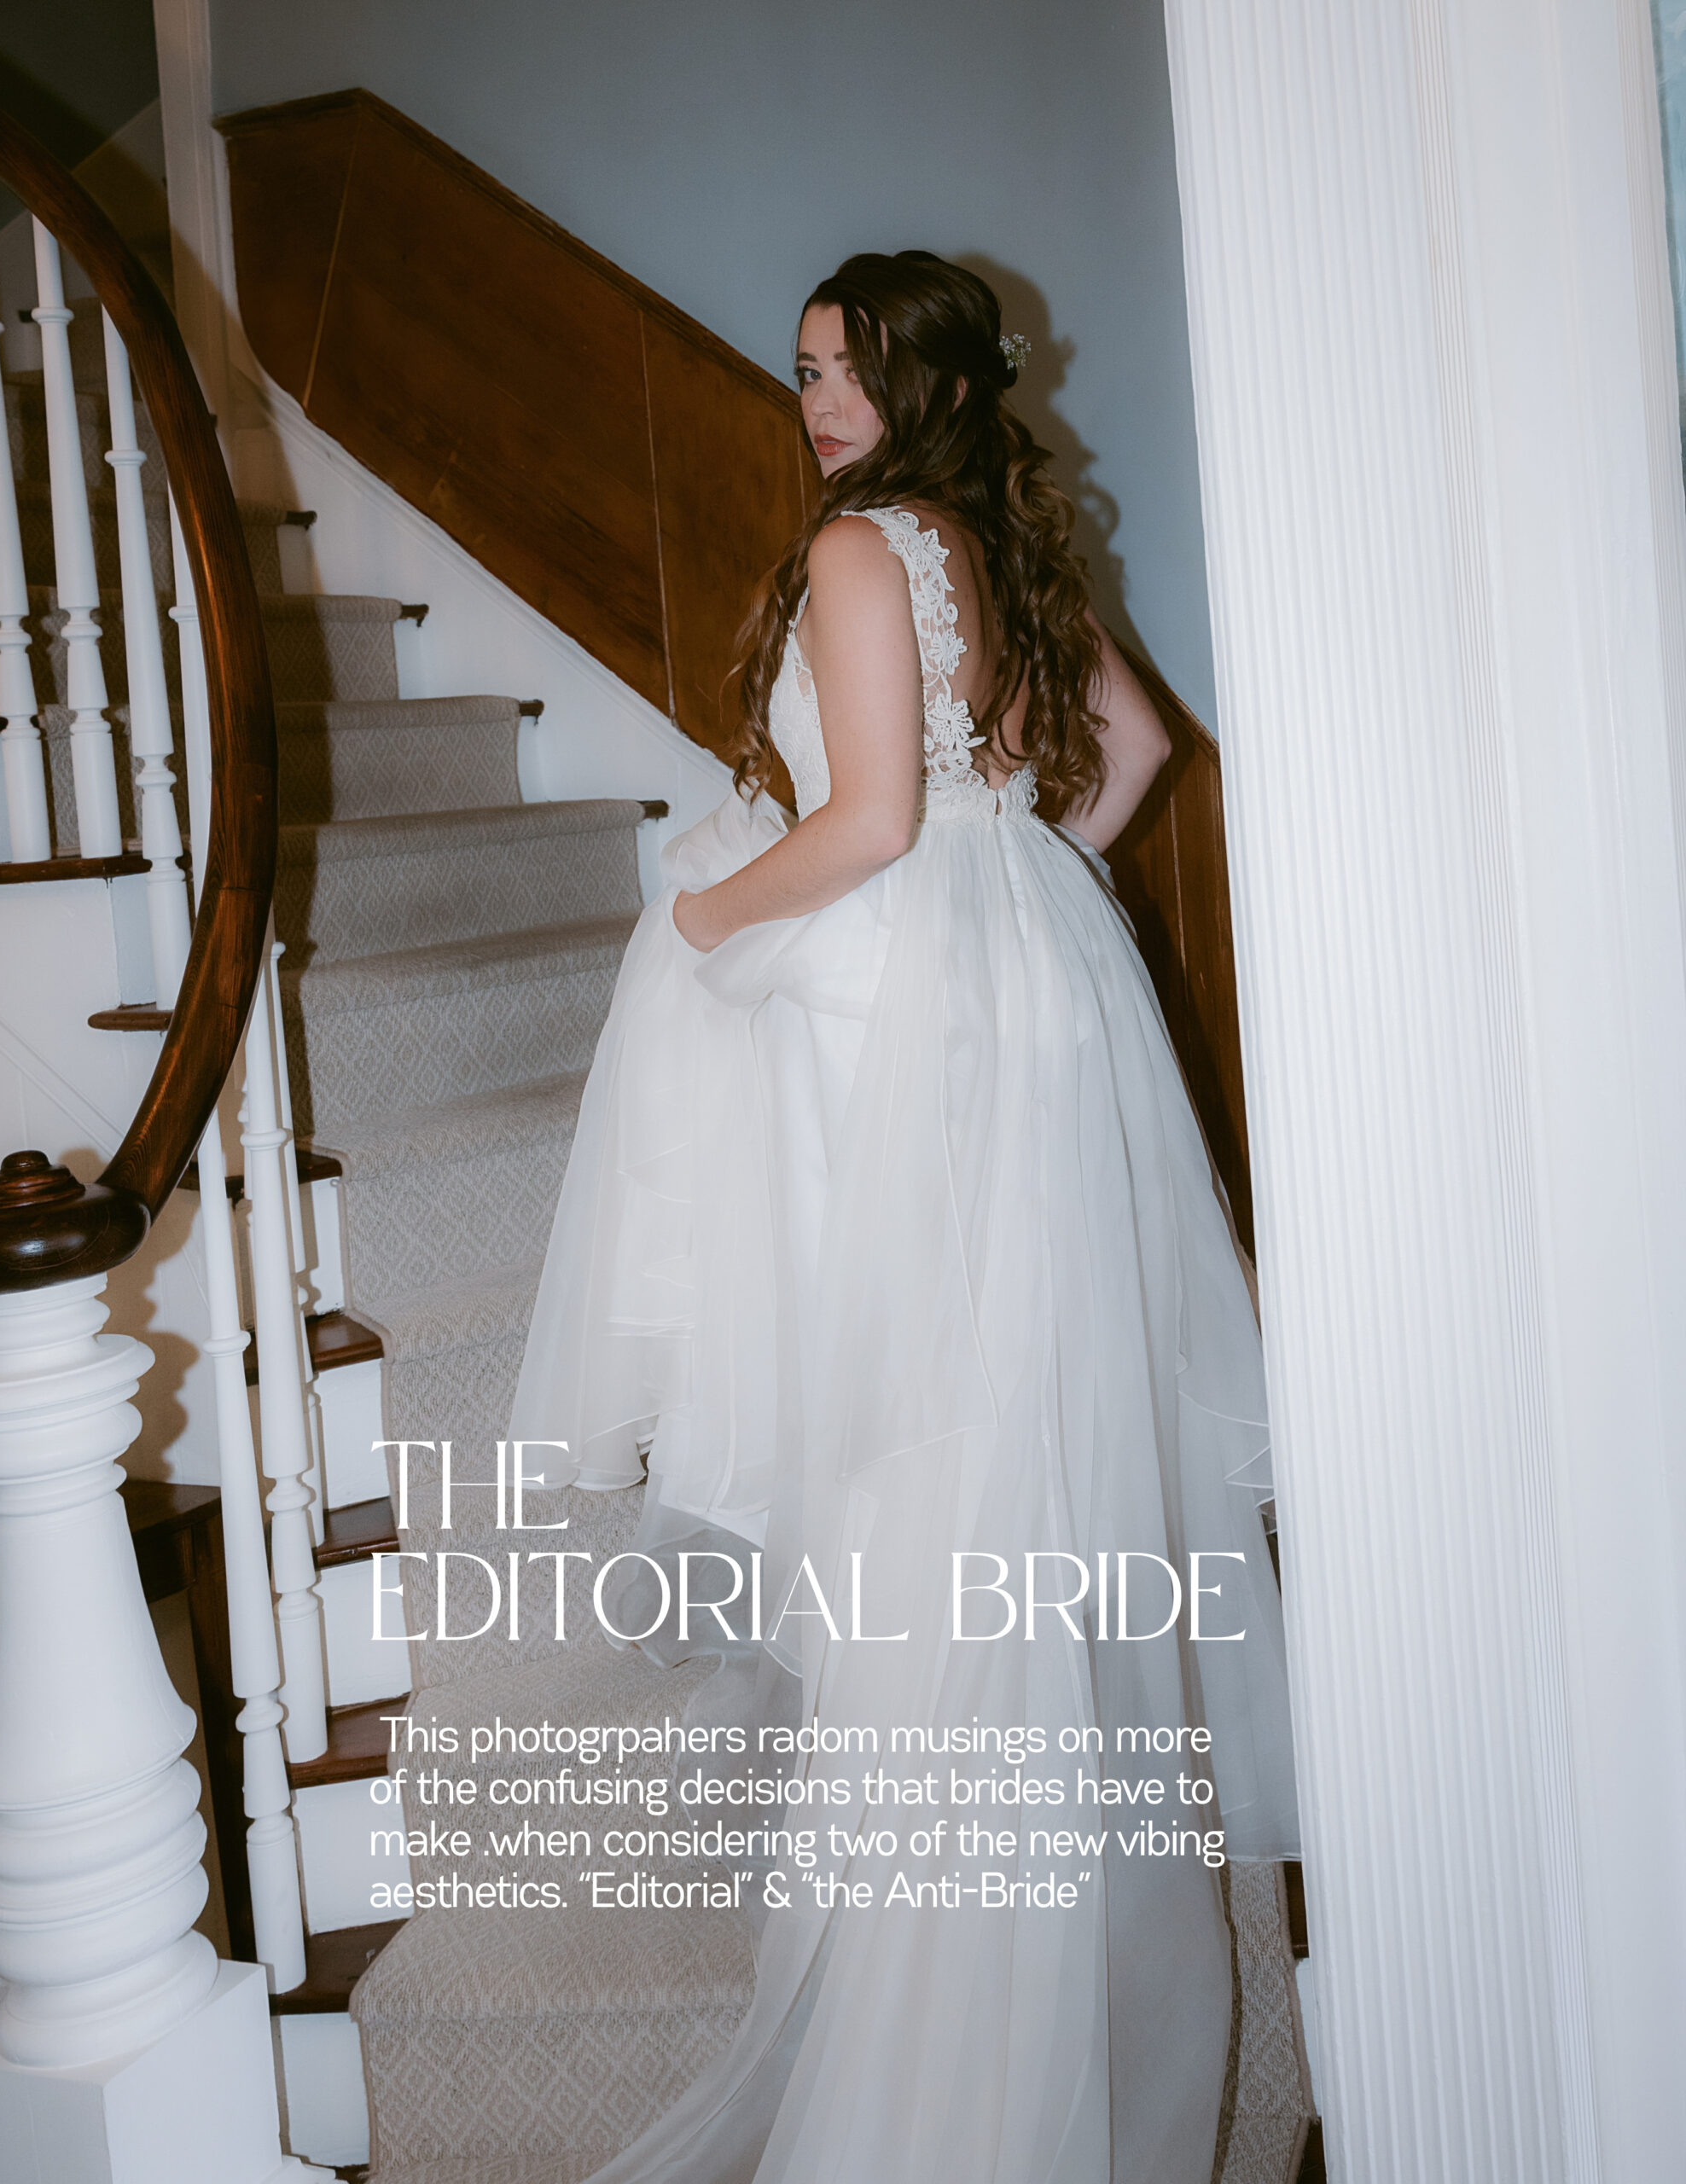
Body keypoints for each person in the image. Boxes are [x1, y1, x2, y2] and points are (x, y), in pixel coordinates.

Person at [508, 250, 1299, 2183]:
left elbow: (863, 819)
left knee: (923, 1468)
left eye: (846, 370)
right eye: (801, 371)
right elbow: (1125, 764)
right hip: (1029, 1011)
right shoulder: (1009, 549)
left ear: (920, 376)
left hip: (905, 1039)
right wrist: (1009, 882)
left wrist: (700, 917)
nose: (816, 401)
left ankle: (944, 2073)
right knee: (1021, 1449)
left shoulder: (866, 552)